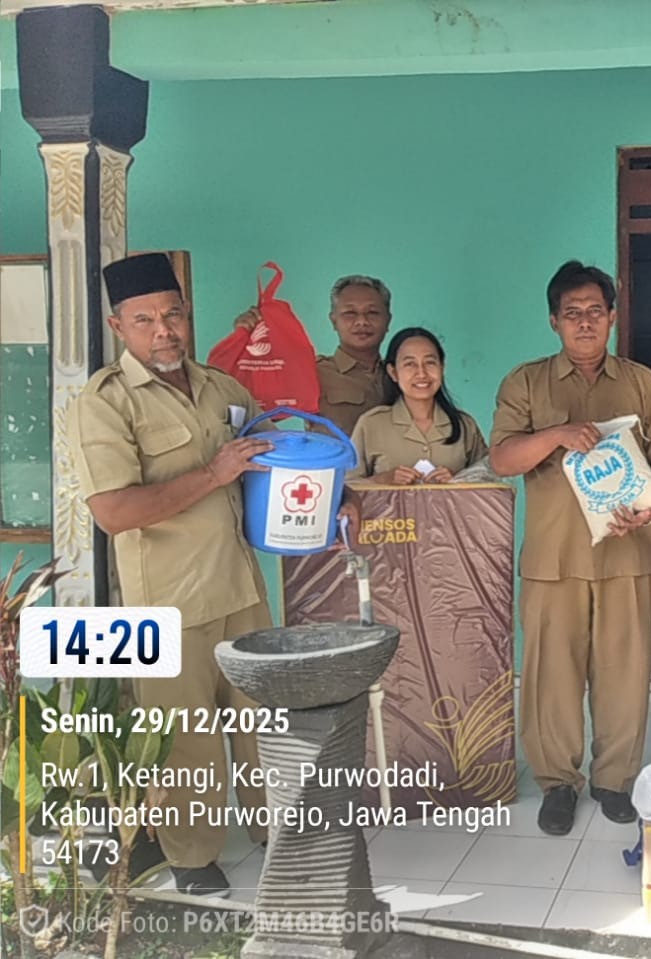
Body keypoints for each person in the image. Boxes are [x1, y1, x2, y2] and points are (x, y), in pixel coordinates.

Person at [70, 253, 356, 895]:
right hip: (167, 602)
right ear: (118, 327)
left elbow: (274, 457)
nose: (163, 331)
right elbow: (114, 512)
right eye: (144, 320)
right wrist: (212, 473)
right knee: (185, 738)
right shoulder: (105, 403)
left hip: (242, 586)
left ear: (187, 314)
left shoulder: (223, 388)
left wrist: (338, 495)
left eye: (172, 315)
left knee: (261, 724)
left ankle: (274, 830)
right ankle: (192, 854)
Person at [490, 260, 651, 836]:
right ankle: (557, 782)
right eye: (571, 313)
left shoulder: (640, 381)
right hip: (554, 559)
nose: (584, 322)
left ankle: (615, 780)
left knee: (625, 673)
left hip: (628, 552)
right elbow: (502, 460)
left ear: (612, 318)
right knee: (551, 676)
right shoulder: (526, 382)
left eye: (594, 311)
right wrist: (555, 434)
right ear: (554, 321)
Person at [234, 273, 393, 435]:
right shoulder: (311, 372)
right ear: (334, 321)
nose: (362, 321)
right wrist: (246, 338)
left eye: (372, 312)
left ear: (388, 320)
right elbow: (253, 417)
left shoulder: (399, 374)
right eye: (350, 313)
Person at [348, 327, 488, 485]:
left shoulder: (465, 425)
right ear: (393, 372)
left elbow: (489, 482)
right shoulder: (371, 424)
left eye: (430, 363)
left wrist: (458, 480)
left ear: (442, 367)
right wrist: (382, 480)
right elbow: (346, 487)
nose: (421, 373)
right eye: (410, 364)